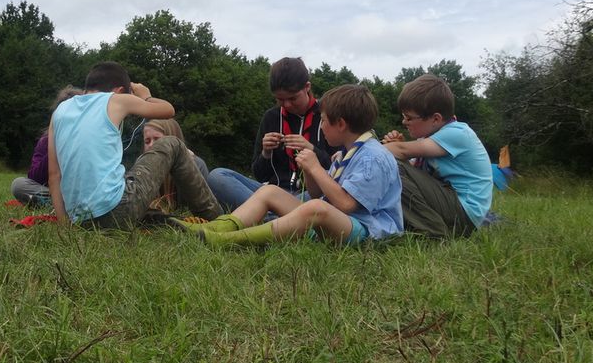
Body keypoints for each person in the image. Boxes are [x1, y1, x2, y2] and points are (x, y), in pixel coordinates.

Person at [175, 85, 402, 247]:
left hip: (366, 231)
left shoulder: (373, 157)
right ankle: (217, 228)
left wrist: (314, 167)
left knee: (317, 209)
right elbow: (317, 194)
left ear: (341, 124)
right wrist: (309, 170)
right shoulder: (347, 152)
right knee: (269, 191)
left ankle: (232, 240)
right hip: (338, 222)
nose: (321, 127)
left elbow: (345, 204)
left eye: (323, 121)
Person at [48, 61, 221, 229]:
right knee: (172, 144)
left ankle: (165, 220)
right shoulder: (116, 99)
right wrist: (146, 95)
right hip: (118, 211)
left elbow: (54, 175)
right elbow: (168, 110)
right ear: (121, 91)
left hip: (79, 221)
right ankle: (218, 218)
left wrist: (65, 226)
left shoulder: (59, 112)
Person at [206, 57, 337, 209]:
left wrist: (312, 149)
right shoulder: (271, 117)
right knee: (218, 176)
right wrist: (266, 153)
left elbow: (340, 170)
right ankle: (278, 217)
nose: (287, 105)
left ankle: (263, 215)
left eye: (293, 98)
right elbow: (260, 176)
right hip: (272, 191)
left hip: (311, 194)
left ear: (307, 87)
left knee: (320, 199)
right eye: (280, 99)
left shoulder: (327, 115)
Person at [381, 74, 493, 239]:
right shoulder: (430, 137)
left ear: (435, 118)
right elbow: (414, 179)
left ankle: (433, 232)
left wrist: (364, 148)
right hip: (454, 205)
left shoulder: (457, 133)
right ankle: (420, 224)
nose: (404, 122)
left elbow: (402, 151)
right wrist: (398, 149)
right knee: (396, 164)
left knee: (391, 166)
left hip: (464, 214)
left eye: (409, 117)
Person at [10, 86, 82, 206]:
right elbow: (34, 177)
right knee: (18, 185)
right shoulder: (46, 141)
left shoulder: (88, 138)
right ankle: (57, 203)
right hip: (54, 192)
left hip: (82, 192)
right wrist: (55, 146)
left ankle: (56, 204)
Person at [141, 118, 211, 215]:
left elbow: (198, 210)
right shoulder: (143, 170)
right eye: (147, 141)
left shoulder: (195, 165)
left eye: (157, 139)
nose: (151, 145)